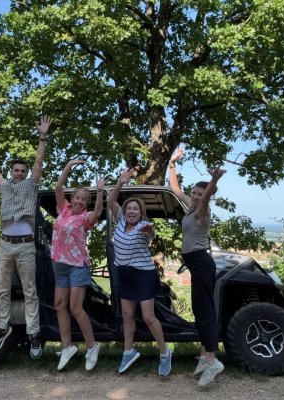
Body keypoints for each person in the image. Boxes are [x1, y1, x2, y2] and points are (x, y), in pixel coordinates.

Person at [0, 116, 52, 359]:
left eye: (22, 171)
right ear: (11, 172)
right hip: (6, 244)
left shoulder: (31, 186)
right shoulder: (5, 186)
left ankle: (34, 333)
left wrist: (42, 137)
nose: (19, 173)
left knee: (30, 291)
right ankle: (1, 328)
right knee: (2, 290)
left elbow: (39, 162)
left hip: (26, 246)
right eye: (16, 170)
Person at [168, 147, 226, 386]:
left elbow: (208, 197)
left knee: (204, 311)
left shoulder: (202, 212)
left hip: (202, 263)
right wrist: (172, 164)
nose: (195, 196)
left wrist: (213, 181)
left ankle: (212, 361)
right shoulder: (190, 209)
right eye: (194, 193)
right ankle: (204, 356)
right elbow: (175, 189)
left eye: (199, 194)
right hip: (197, 265)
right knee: (200, 309)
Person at [107, 168, 172, 376]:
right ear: (125, 211)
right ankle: (128, 352)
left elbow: (150, 232)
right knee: (127, 315)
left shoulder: (143, 225)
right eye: (129, 208)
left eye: (135, 209)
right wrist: (120, 182)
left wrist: (149, 230)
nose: (132, 211)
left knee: (148, 316)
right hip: (125, 274)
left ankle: (165, 353)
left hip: (143, 275)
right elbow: (111, 200)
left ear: (141, 212)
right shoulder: (120, 221)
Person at [51, 159, 105, 371]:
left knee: (75, 307)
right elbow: (58, 187)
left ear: (85, 203)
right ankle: (67, 347)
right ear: (71, 199)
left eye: (84, 199)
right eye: (77, 197)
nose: (80, 201)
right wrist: (68, 166)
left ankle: (92, 346)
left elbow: (98, 212)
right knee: (59, 305)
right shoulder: (63, 210)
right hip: (59, 265)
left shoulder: (85, 218)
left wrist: (99, 191)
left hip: (77, 266)